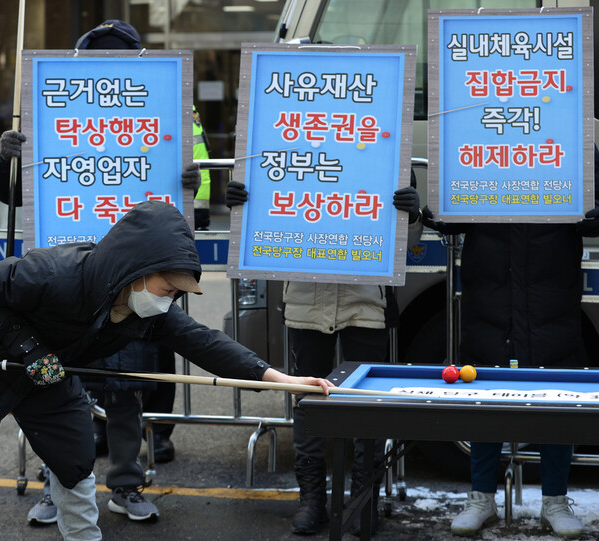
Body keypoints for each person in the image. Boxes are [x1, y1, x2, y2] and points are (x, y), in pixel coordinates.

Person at [0, 199, 333, 541]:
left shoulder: (144, 310)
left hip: (50, 371)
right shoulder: (56, 273)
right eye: (168, 289)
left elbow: (204, 342)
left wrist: (282, 379)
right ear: (137, 271)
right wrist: (29, 347)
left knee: (75, 466)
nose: (170, 301)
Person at [0, 19, 203, 525]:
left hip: (133, 282)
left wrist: (191, 186)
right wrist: (6, 160)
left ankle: (126, 484)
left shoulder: (163, 104)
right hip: (67, 283)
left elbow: (189, 218)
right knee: (61, 390)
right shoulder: (52, 103)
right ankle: (57, 484)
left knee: (127, 388)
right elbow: (13, 196)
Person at [225, 173, 423, 536]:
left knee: (368, 406)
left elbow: (410, 241)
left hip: (365, 301)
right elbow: (261, 221)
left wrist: (411, 214)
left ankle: (364, 501)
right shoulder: (286, 150)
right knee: (307, 406)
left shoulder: (389, 144)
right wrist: (241, 205)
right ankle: (312, 501)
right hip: (305, 302)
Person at [422, 151, 599, 539]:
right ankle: (481, 497)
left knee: (558, 395)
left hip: (550, 288)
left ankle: (555, 500)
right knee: (485, 388)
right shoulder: (476, 138)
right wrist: (432, 212)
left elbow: (594, 199)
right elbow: (444, 214)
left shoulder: (571, 134)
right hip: (491, 286)